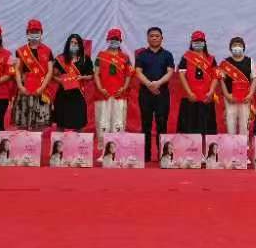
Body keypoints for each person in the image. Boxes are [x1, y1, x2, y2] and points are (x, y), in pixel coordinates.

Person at [134, 27, 175, 162]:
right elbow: (138, 72)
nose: (154, 38)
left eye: (157, 36)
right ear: (147, 38)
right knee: (145, 124)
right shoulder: (141, 55)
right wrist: (149, 84)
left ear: (162, 38)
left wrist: (158, 83)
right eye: (151, 36)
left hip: (162, 93)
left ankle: (163, 154)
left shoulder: (167, 55)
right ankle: (145, 155)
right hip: (145, 93)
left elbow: (170, 72)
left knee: (162, 124)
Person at [93, 28, 133, 148]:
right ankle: (103, 148)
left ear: (120, 40)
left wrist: (124, 88)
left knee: (118, 122)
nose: (114, 41)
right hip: (103, 94)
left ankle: (117, 148)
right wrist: (100, 88)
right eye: (112, 39)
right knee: (103, 121)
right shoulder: (101, 55)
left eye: (116, 39)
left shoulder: (125, 57)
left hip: (119, 94)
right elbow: (96, 74)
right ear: (108, 40)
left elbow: (129, 75)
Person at [12, 20, 53, 130]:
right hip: (25, 89)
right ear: (27, 33)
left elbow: (50, 71)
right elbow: (17, 70)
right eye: (32, 31)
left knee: (40, 126)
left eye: (36, 31)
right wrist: (20, 86)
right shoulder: (21, 51)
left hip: (41, 89)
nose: (34, 34)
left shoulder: (47, 51)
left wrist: (42, 87)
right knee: (22, 124)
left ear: (41, 32)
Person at [176, 30, 218, 136]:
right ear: (191, 43)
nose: (198, 43)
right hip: (190, 97)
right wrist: (189, 93)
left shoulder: (211, 59)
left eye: (200, 41)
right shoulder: (186, 57)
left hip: (206, 97)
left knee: (207, 129)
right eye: (195, 41)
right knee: (189, 128)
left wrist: (211, 92)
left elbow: (215, 76)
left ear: (204, 43)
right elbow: (181, 75)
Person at [53, 33, 94, 131]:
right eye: (71, 42)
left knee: (79, 122)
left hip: (78, 94)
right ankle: (59, 140)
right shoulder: (61, 58)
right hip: (63, 94)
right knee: (61, 123)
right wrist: (62, 81)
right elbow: (53, 75)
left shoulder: (85, 59)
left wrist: (82, 77)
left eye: (76, 43)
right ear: (68, 43)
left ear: (80, 45)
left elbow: (91, 75)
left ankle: (78, 141)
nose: (73, 44)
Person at [218, 37, 256, 138]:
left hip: (245, 98)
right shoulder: (225, 63)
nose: (237, 47)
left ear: (243, 47)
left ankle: (243, 144)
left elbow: (254, 79)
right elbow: (221, 80)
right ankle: (232, 144)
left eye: (239, 45)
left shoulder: (250, 61)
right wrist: (227, 95)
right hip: (230, 98)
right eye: (234, 45)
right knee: (230, 123)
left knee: (244, 124)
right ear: (230, 48)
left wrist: (250, 94)